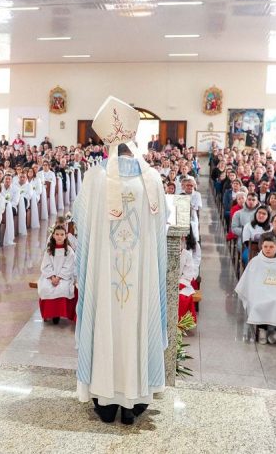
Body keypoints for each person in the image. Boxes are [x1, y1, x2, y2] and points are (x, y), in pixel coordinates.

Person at [73, 96, 168, 426]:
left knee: (104, 320)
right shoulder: (152, 179)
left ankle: (105, 396)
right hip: (138, 275)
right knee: (137, 320)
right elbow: (160, 230)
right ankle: (134, 400)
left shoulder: (95, 179)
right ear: (134, 143)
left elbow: (80, 223)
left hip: (104, 275)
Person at [235, 233, 276, 345]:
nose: (268, 249)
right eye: (265, 246)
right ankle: (263, 329)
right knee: (261, 302)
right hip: (260, 292)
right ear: (261, 247)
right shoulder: (255, 262)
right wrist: (260, 292)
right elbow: (250, 282)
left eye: (271, 247)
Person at [37, 225, 76, 325]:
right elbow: (46, 265)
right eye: (57, 234)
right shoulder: (49, 250)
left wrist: (58, 277)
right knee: (45, 288)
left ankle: (59, 314)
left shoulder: (69, 251)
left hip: (64, 277)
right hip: (50, 276)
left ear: (66, 236)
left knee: (63, 288)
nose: (59, 237)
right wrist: (52, 277)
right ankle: (50, 314)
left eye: (62, 234)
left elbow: (69, 267)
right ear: (53, 235)